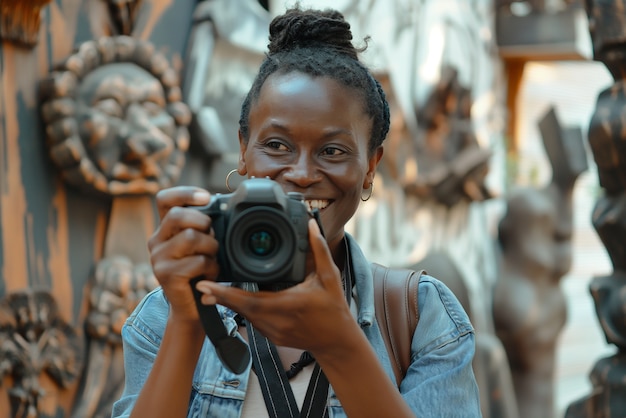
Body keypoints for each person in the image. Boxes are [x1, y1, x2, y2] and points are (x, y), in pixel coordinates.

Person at [111, 6, 481, 418]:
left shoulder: (420, 317)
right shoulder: (167, 311)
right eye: (276, 146)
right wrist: (188, 322)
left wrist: (339, 345)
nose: (302, 174)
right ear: (243, 151)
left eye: (333, 151)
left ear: (370, 169)